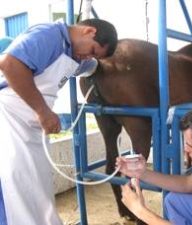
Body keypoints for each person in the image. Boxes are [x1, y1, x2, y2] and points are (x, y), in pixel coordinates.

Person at [0, 18, 117, 225]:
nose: (87, 56)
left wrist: (99, 62)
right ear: (88, 31)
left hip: (32, 124)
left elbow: (91, 66)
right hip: (10, 116)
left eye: (92, 54)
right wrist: (43, 111)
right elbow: (9, 64)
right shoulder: (50, 35)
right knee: (16, 180)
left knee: (38, 182)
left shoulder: (75, 54)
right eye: (91, 49)